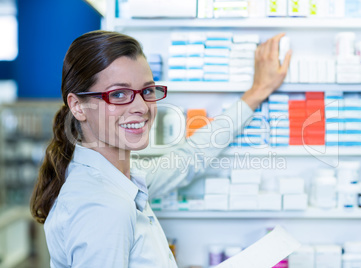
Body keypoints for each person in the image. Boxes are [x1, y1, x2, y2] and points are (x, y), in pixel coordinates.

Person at [30, 30, 291, 267]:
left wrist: (256, 93)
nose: (142, 107)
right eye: (118, 94)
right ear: (77, 106)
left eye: (147, 90)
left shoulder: (118, 178)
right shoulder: (104, 207)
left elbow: (188, 159)